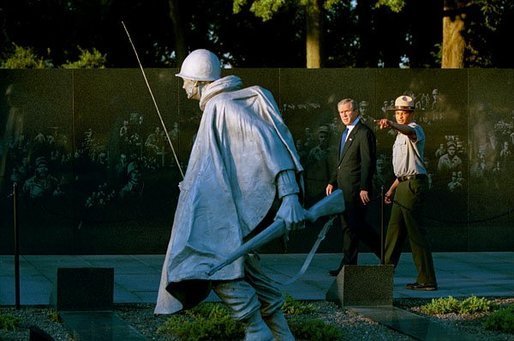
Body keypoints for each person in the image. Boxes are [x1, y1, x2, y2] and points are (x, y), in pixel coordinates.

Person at [155, 49, 305, 341]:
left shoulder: (221, 105)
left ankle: (256, 329)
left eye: (185, 81)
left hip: (223, 215)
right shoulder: (218, 106)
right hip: (221, 210)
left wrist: (290, 195)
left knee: (206, 264)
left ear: (198, 81)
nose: (184, 88)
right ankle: (282, 334)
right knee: (243, 267)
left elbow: (267, 140)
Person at [376, 95, 437, 291]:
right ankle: (383, 276)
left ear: (410, 113)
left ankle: (427, 279)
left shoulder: (415, 129)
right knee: (394, 231)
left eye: (403, 113)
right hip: (402, 185)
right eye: (397, 113)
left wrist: (392, 124)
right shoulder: (399, 136)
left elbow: (408, 131)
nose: (400, 116)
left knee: (415, 233)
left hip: (413, 186)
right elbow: (402, 170)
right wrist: (392, 190)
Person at [325, 98, 381, 276]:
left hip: (357, 190)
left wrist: (365, 187)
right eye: (341, 112)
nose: (344, 115)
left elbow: (368, 162)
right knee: (347, 227)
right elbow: (341, 163)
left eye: (347, 111)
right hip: (343, 189)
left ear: (356, 111)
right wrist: (332, 181)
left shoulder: (364, 133)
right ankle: (348, 265)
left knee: (357, 226)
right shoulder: (344, 133)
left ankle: (386, 253)